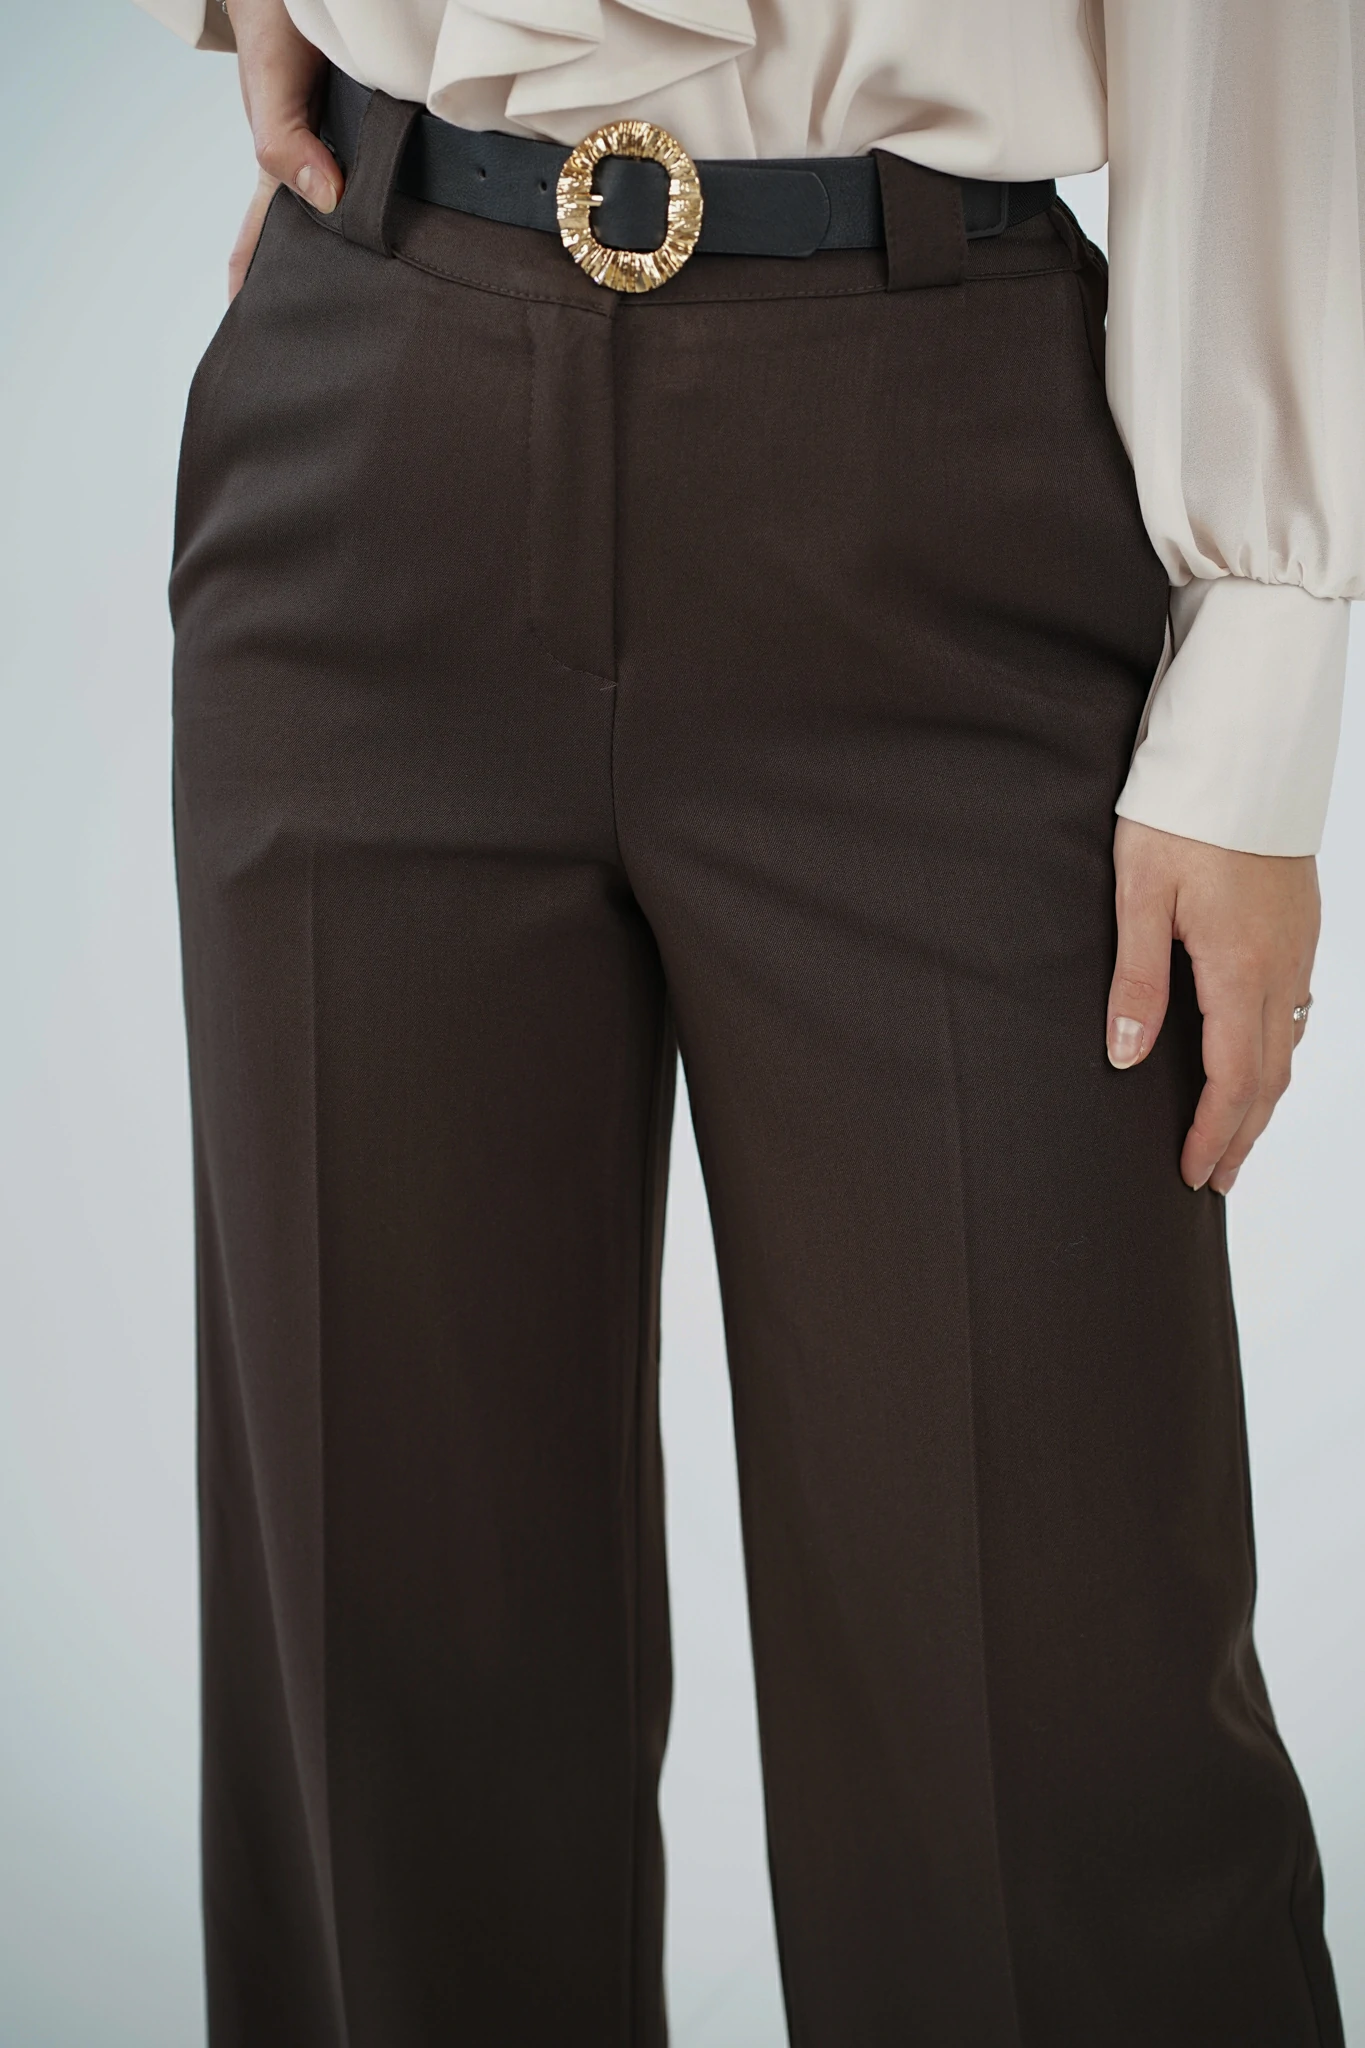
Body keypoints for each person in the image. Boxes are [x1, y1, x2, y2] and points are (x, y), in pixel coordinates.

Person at [140, 0, 1360, 2040]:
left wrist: (1263, 639)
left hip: (931, 460)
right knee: (388, 1711)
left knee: (1057, 1750)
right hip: (376, 401)